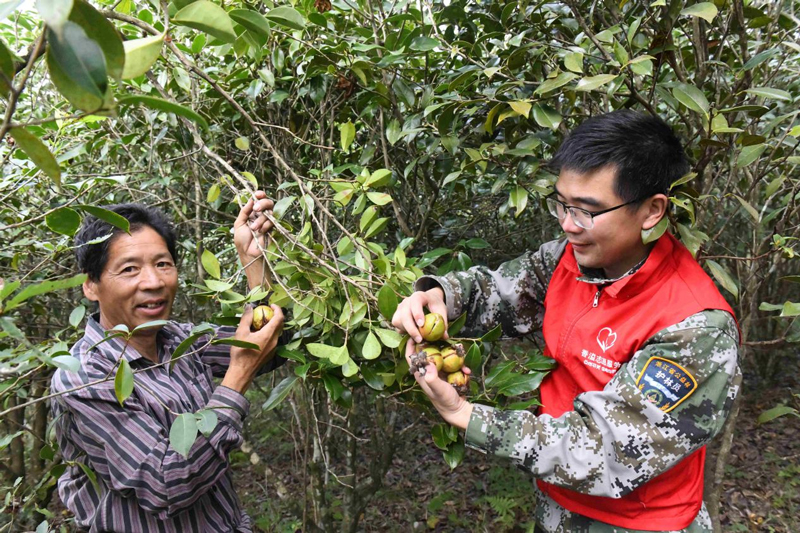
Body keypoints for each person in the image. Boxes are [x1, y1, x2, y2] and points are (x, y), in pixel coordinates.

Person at [392, 110, 741, 532]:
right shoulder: (569, 259)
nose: (567, 224)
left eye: (586, 211)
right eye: (562, 203)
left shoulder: (695, 329)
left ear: (651, 211)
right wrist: (439, 297)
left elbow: (608, 450)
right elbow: (500, 291)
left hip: (637, 523)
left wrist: (467, 416)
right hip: (557, 504)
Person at [50, 191, 284, 532]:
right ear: (91, 286)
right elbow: (168, 484)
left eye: (163, 264)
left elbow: (269, 348)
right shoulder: (84, 378)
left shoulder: (180, 340)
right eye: (130, 269)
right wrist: (237, 376)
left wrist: (254, 263)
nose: (154, 282)